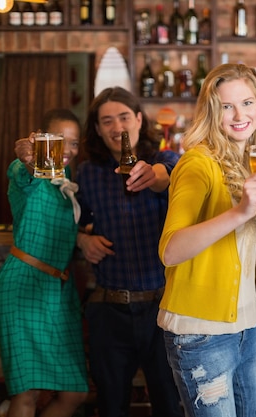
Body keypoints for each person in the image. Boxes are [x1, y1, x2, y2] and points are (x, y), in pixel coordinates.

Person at [158, 63, 256, 416]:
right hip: (202, 333)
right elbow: (171, 249)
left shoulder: (254, 161)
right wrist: (240, 212)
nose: (240, 114)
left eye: (248, 102)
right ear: (213, 112)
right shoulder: (197, 164)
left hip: (252, 325)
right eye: (227, 106)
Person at [75, 87, 183, 417]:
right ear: (96, 129)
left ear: (139, 119)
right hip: (110, 311)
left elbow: (168, 173)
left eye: (124, 116)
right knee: (110, 405)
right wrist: (82, 240)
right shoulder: (87, 173)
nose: (116, 126)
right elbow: (74, 221)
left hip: (162, 310)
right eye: (106, 120)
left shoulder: (164, 161)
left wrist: (150, 174)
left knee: (170, 403)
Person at [0, 109, 88, 417]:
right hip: (25, 285)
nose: (68, 151)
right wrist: (27, 157)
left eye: (74, 143)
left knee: (74, 392)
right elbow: (24, 172)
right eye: (60, 141)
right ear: (42, 138)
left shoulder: (67, 178)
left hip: (60, 292)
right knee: (27, 393)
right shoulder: (28, 172)